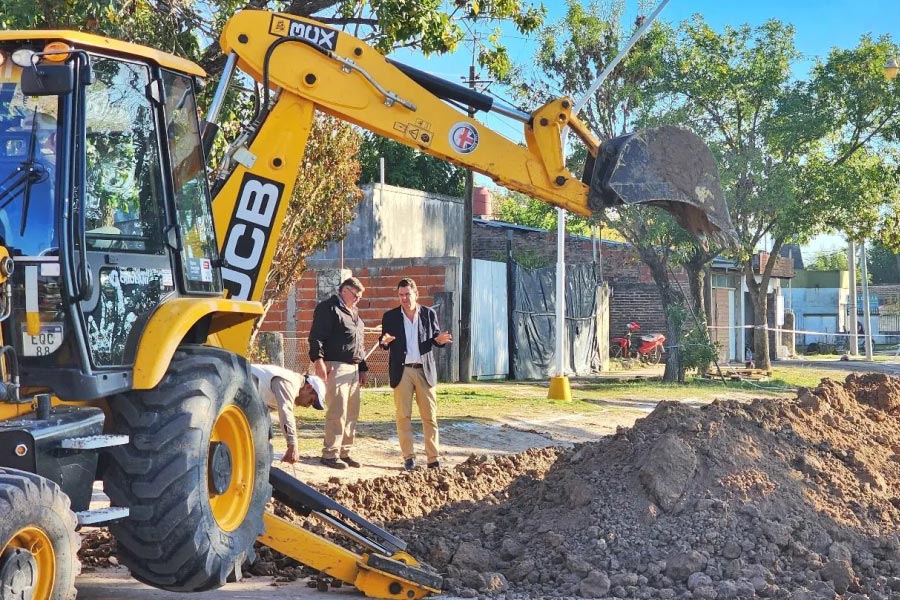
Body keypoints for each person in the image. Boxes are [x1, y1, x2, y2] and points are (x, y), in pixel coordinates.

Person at [379, 278, 452, 470]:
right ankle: (408, 458)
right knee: (403, 416)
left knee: (430, 417)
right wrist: (384, 341)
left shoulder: (428, 314)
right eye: (401, 295)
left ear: (416, 294)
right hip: (402, 371)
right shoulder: (390, 317)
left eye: (407, 294)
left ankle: (433, 458)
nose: (404, 298)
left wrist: (440, 340)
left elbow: (435, 338)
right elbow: (384, 340)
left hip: (424, 371)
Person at [309, 276, 368, 470]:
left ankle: (345, 452)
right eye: (355, 294)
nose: (358, 298)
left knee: (352, 412)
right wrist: (318, 360)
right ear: (344, 291)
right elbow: (316, 336)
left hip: (354, 368)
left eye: (360, 296)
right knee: (337, 411)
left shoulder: (354, 313)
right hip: (335, 365)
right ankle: (330, 453)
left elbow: (358, 343)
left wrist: (363, 367)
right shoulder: (329, 308)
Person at [251, 364, 326, 464]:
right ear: (308, 387)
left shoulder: (290, 384)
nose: (307, 406)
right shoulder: (290, 382)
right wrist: (292, 444)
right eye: (311, 401)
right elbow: (286, 412)